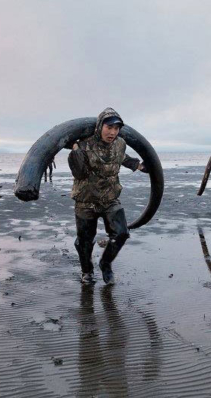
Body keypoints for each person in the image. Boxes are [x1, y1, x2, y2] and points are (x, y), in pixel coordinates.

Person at [68, 107, 146, 284]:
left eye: (116, 128)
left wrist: (139, 166)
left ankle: (105, 264)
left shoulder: (120, 143)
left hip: (110, 197)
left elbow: (122, 157)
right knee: (85, 240)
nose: (112, 132)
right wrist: (76, 151)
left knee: (121, 233)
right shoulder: (84, 144)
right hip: (85, 199)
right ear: (99, 126)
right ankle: (87, 271)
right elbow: (79, 173)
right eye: (109, 127)